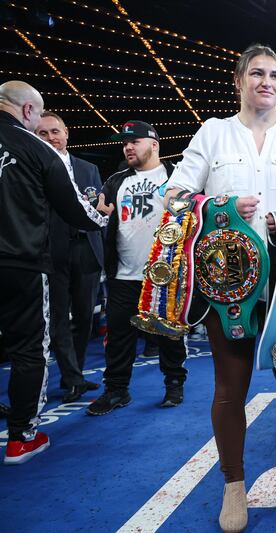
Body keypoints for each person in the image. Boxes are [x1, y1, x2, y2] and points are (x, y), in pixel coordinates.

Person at [165, 44, 276, 532]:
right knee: (230, 386)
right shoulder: (214, 132)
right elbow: (176, 194)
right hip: (229, 283)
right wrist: (221, 205)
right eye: (258, 73)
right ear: (240, 80)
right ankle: (234, 485)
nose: (267, 81)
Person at [0, 81, 109, 464]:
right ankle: (21, 438)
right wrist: (102, 217)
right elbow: (76, 209)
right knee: (31, 350)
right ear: (29, 111)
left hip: (40, 260)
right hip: (23, 262)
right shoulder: (35, 148)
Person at [87, 121, 189, 415]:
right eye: (124, 143)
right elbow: (102, 214)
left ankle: (174, 383)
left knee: (169, 333)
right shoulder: (116, 181)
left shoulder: (176, 176)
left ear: (154, 144)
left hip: (166, 273)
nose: (128, 147)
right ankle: (116, 390)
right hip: (124, 273)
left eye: (135, 141)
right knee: (118, 336)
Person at [35, 111, 104, 403]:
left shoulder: (88, 168)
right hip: (53, 251)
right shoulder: (34, 169)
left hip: (86, 249)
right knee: (60, 318)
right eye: (43, 133)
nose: (51, 138)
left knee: (86, 316)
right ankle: (72, 377)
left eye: (55, 131)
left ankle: (72, 374)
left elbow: (98, 209)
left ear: (66, 133)